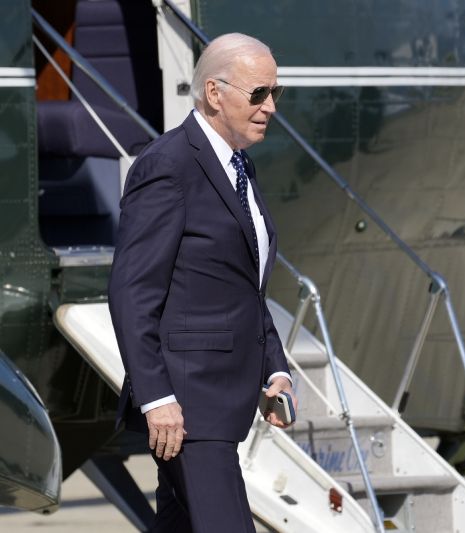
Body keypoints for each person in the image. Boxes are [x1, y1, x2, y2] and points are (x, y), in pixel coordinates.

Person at [108, 33, 296, 532]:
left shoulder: (238, 164)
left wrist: (274, 369)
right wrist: (157, 399)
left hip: (222, 403)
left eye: (276, 92)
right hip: (187, 408)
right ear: (214, 92)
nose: (271, 107)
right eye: (259, 94)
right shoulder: (167, 165)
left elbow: (242, 284)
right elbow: (132, 292)